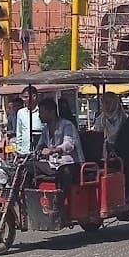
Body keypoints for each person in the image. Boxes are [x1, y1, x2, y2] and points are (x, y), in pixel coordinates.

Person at [36, 94, 84, 222]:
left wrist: (53, 151)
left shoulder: (67, 125)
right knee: (29, 168)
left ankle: (59, 207)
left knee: (64, 173)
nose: (39, 115)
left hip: (72, 163)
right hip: (53, 164)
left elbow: (69, 144)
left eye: (42, 112)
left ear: (51, 112)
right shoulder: (46, 129)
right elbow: (39, 145)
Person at [14, 85, 42, 154]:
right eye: (23, 97)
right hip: (24, 151)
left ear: (34, 97)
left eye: (26, 97)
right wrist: (19, 150)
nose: (24, 99)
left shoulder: (42, 111)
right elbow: (19, 132)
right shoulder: (21, 112)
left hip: (39, 151)